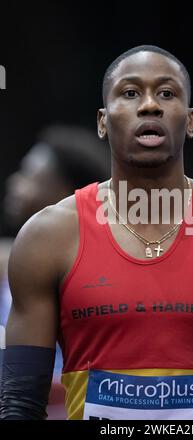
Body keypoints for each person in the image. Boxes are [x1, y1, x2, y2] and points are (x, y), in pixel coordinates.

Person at [0, 45, 193, 420]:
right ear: (102, 122)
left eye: (167, 93)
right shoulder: (47, 238)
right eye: (129, 93)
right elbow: (20, 406)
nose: (150, 106)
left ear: (190, 121)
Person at [0, 124, 110, 418]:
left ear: (62, 192)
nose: (14, 183)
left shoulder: (97, 279)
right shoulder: (14, 263)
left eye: (29, 176)